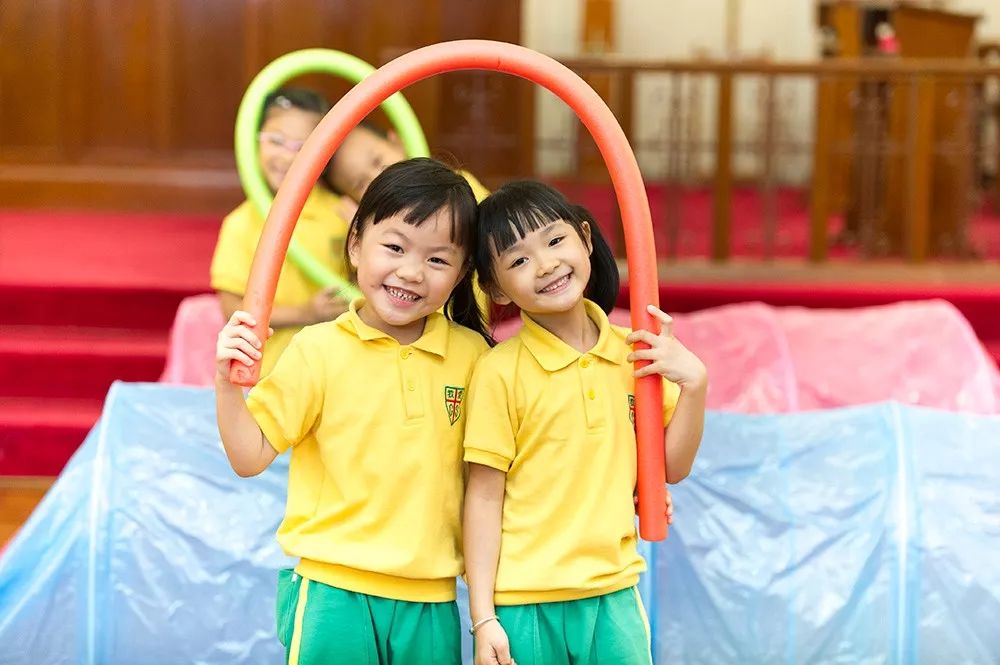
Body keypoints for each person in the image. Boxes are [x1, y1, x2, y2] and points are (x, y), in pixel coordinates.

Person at [214, 158, 489, 664]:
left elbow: (505, 474)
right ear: (356, 242)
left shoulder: (475, 358)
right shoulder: (318, 349)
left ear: (463, 271)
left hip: (431, 599)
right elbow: (249, 456)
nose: (410, 271)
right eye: (395, 247)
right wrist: (227, 386)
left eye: (437, 259)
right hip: (331, 589)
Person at [462, 181, 708, 665]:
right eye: (518, 260)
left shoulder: (635, 353)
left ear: (586, 239)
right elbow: (484, 496)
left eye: (555, 241)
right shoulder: (499, 371)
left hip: (613, 589)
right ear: (493, 287)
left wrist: (696, 385)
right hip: (524, 601)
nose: (547, 264)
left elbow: (669, 470)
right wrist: (484, 616)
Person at [211, 87, 351, 375]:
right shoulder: (240, 223)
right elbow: (231, 309)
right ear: (254, 142)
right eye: (276, 141)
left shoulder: (343, 214)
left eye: (303, 146)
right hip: (270, 373)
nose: (288, 157)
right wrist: (306, 313)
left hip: (335, 370)